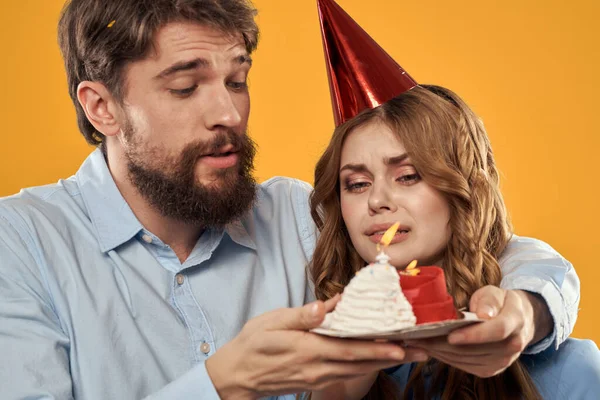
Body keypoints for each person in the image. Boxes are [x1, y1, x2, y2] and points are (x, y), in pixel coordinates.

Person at [0, 0, 583, 399]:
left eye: (236, 79)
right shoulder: (20, 244)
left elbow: (466, 242)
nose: (229, 114)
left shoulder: (291, 215)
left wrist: (527, 308)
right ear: (101, 107)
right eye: (185, 86)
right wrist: (223, 383)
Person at [309, 1, 600, 399]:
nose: (377, 199)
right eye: (356, 184)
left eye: (408, 175)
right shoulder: (308, 371)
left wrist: (524, 312)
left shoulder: (570, 376)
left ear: (461, 188)